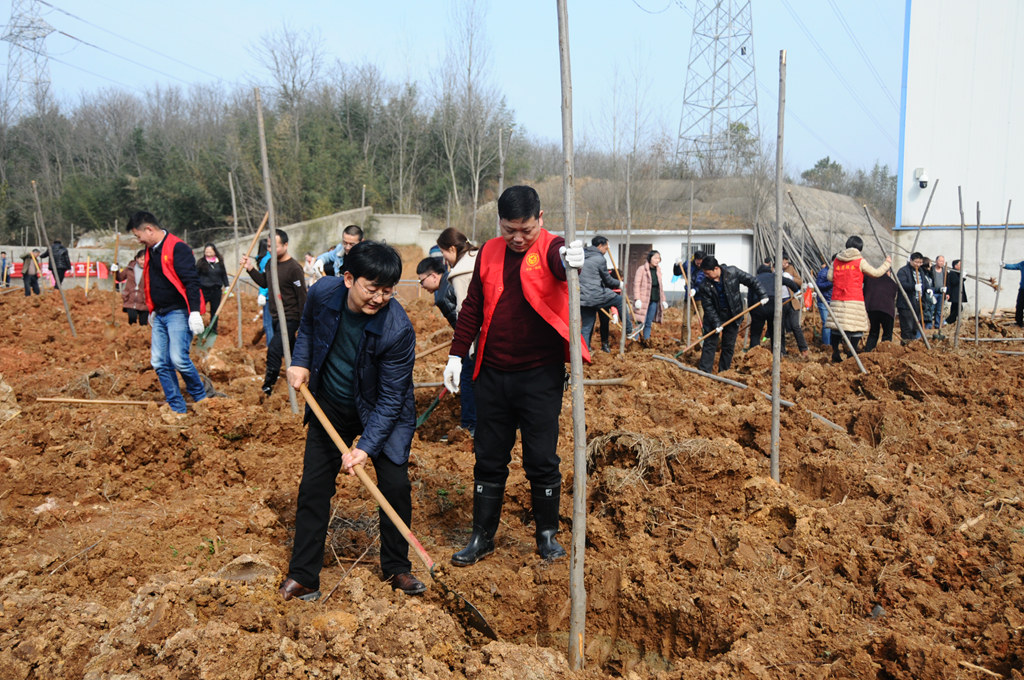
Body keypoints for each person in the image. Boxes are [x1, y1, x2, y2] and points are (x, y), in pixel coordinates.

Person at [441, 185, 587, 567]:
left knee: (541, 458)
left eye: (526, 229)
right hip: (492, 371)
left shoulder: (554, 248)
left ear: (540, 219)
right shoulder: (488, 251)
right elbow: (473, 305)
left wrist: (574, 259)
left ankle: (547, 536)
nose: (518, 239)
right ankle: (482, 536)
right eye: (510, 230)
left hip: (539, 375)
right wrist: (457, 355)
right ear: (500, 224)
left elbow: (560, 264)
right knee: (488, 456)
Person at [280, 240, 423, 600]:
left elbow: (392, 399)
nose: (379, 298)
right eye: (372, 288)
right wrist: (300, 360)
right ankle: (305, 576)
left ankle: (397, 568)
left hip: (381, 410)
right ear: (348, 279)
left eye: (387, 291)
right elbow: (309, 330)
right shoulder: (323, 293)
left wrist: (365, 448)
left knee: (395, 486)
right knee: (314, 487)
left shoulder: (397, 329)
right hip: (331, 403)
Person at [126, 211, 207, 414]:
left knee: (178, 359)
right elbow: (150, 281)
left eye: (138, 235)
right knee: (159, 362)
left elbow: (191, 281)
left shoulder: (178, 248)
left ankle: (202, 399)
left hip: (178, 312)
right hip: (161, 313)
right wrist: (152, 308)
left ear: (149, 229)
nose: (138, 240)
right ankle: (177, 407)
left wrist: (195, 311)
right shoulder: (150, 250)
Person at [243, 229, 308, 397]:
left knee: (274, 349)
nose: (271, 249)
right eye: (269, 246)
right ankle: (306, 376)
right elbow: (265, 282)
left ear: (286, 245)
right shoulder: (270, 263)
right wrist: (250, 269)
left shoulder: (294, 268)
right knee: (294, 351)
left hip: (290, 316)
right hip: (276, 316)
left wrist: (303, 323)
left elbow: (302, 297)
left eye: (275, 246)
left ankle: (268, 386)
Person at [437, 227, 481, 435]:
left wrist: (461, 350)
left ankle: (471, 426)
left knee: (468, 378)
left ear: (452, 248)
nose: (444, 258)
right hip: (498, 332)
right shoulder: (478, 256)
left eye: (443, 252)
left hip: (479, 337)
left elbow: (466, 313)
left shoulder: (462, 273)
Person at [826, 235, 891, 362]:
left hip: (837, 298)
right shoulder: (859, 261)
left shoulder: (837, 260)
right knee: (855, 328)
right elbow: (875, 273)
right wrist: (887, 263)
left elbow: (830, 277)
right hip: (854, 298)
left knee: (837, 328)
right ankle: (852, 353)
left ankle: (835, 353)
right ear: (859, 247)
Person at [696, 256, 766, 373]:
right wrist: (717, 323)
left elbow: (752, 281)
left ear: (716, 269)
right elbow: (708, 307)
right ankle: (704, 372)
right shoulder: (704, 285)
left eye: (708, 273)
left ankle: (724, 372)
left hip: (733, 315)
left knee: (728, 346)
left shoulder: (732, 272)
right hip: (714, 317)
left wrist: (762, 295)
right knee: (709, 344)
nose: (706, 276)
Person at [580, 235, 633, 352]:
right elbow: (607, 280)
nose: (606, 250)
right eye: (606, 247)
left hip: (583, 297)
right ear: (600, 246)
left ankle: (583, 351)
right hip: (596, 294)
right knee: (619, 300)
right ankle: (629, 329)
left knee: (587, 325)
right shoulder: (600, 259)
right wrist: (620, 283)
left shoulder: (583, 256)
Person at [633, 250, 668, 345]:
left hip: (654, 299)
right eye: (655, 258)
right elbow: (636, 284)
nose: (657, 260)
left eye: (659, 258)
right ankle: (634, 341)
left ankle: (646, 341)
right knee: (640, 321)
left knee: (648, 322)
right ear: (650, 258)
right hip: (643, 300)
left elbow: (660, 287)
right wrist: (637, 299)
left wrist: (663, 300)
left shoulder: (658, 270)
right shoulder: (642, 269)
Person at [195, 243, 229, 334]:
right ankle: (197, 327)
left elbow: (224, 275)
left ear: (214, 251)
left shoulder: (219, 262)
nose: (208, 253)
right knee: (200, 309)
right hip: (204, 290)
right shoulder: (201, 262)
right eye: (206, 251)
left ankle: (213, 329)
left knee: (215, 311)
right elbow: (195, 276)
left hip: (216, 290)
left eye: (210, 251)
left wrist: (227, 286)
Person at [779, 253, 809, 356]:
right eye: (785, 262)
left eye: (787, 262)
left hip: (792, 301)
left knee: (795, 325)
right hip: (780, 303)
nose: (786, 264)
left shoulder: (790, 269)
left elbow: (800, 282)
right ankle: (781, 351)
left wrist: (791, 278)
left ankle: (803, 349)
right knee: (780, 327)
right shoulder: (774, 271)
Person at [862, 270, 898, 352]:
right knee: (887, 334)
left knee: (874, 332)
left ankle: (868, 351)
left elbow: (864, 292)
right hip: (887, 310)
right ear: (888, 272)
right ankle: (884, 352)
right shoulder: (892, 282)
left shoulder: (870, 279)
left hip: (872, 309)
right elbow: (893, 296)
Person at [896, 252, 928, 343]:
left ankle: (912, 344)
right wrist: (913, 286)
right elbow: (901, 284)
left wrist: (929, 290)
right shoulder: (903, 271)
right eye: (916, 262)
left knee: (915, 326)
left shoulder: (921, 271)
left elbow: (925, 283)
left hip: (917, 303)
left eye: (920, 262)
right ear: (911, 260)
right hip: (906, 304)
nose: (918, 264)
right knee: (907, 327)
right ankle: (906, 345)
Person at [112, 249, 149, 325]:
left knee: (143, 323)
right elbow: (119, 278)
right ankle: (131, 336)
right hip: (130, 299)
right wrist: (115, 271)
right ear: (137, 259)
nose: (143, 262)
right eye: (142, 259)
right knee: (132, 320)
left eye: (145, 259)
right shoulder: (130, 269)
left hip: (144, 301)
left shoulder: (150, 270)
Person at [815, 258, 834, 347]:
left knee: (835, 324)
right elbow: (819, 285)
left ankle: (833, 343)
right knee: (827, 323)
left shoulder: (839, 271)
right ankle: (827, 345)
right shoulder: (823, 272)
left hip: (835, 301)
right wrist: (831, 283)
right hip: (824, 301)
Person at [1001, 259, 1024, 327]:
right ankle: (1019, 323)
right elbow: (1014, 266)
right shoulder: (1023, 264)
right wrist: (1005, 265)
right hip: (1022, 290)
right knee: (1019, 305)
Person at [945, 259, 967, 325]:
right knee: (959, 308)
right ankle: (948, 321)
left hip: (958, 293)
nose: (961, 266)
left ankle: (951, 321)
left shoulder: (958, 272)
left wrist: (963, 277)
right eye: (960, 265)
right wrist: (962, 277)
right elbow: (955, 282)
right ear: (955, 266)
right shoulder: (952, 273)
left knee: (954, 308)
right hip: (955, 294)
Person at [930, 255, 948, 328]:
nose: (942, 263)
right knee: (931, 309)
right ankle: (929, 325)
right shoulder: (931, 270)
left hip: (941, 293)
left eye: (943, 261)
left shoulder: (944, 271)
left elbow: (947, 282)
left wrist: (947, 292)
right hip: (933, 293)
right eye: (940, 261)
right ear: (936, 261)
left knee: (939, 310)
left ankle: (938, 325)